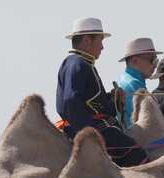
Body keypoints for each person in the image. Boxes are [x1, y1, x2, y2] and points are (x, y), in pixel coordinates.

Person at [56, 17, 148, 167]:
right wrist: (88, 134)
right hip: (92, 129)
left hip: (94, 125)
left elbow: (90, 101)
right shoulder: (78, 64)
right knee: (135, 154)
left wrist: (112, 98)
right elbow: (70, 101)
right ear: (87, 41)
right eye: (100, 41)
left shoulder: (80, 63)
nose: (102, 47)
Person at [117, 38, 162, 128]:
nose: (155, 65)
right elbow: (147, 121)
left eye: (156, 61)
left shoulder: (127, 80)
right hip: (137, 140)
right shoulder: (134, 84)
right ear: (134, 61)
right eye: (152, 60)